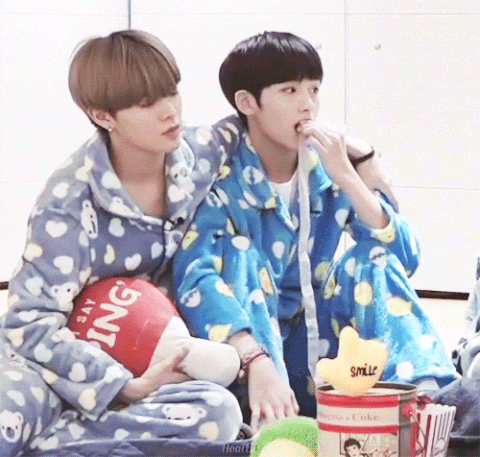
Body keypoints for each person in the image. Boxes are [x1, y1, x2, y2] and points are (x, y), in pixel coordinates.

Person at [173, 31, 458, 432]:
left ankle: (428, 403)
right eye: (290, 90)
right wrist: (255, 359)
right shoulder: (222, 180)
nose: (308, 104)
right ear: (247, 102)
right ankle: (272, 425)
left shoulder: (329, 166)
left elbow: (404, 259)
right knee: (240, 252)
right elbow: (194, 276)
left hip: (324, 355)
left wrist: (351, 176)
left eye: (314, 89)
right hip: (252, 367)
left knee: (371, 259)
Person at [0, 30, 247, 456]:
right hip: (47, 367)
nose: (170, 111)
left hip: (144, 359)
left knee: (219, 412)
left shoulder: (196, 153)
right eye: (147, 103)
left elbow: (255, 124)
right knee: (7, 416)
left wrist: (359, 155)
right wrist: (121, 386)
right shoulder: (68, 202)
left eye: (171, 92)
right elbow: (29, 324)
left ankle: (53, 445)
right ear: (103, 116)